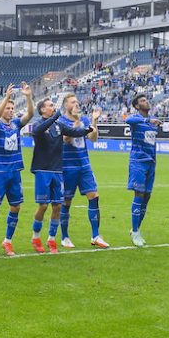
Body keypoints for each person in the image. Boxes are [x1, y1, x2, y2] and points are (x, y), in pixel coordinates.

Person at [29, 98, 92, 254]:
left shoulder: (58, 126)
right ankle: (36, 237)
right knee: (43, 205)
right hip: (43, 170)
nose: (53, 107)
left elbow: (74, 132)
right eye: (50, 105)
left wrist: (88, 129)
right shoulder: (38, 125)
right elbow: (37, 131)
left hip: (58, 170)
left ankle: (51, 239)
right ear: (42, 110)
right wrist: (54, 116)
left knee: (57, 205)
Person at [0, 84, 34, 258]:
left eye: (12, 108)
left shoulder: (15, 124)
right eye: (8, 108)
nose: (11, 110)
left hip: (15, 171)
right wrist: (5, 98)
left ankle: (7, 241)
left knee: (16, 206)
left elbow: (30, 115)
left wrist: (28, 96)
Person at [59, 93, 108, 249]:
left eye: (77, 102)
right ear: (66, 105)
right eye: (73, 102)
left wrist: (94, 121)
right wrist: (77, 121)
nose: (76, 104)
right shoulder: (61, 121)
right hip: (67, 166)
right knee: (66, 201)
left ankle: (96, 235)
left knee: (94, 196)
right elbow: (66, 139)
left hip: (84, 165)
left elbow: (93, 139)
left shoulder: (85, 120)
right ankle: (65, 237)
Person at [125, 94, 160, 247]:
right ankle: (135, 231)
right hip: (138, 162)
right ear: (137, 106)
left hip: (151, 163)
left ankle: (136, 229)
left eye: (146, 100)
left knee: (147, 196)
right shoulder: (137, 119)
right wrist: (147, 120)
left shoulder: (152, 122)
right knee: (139, 195)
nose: (147, 102)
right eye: (143, 101)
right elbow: (127, 119)